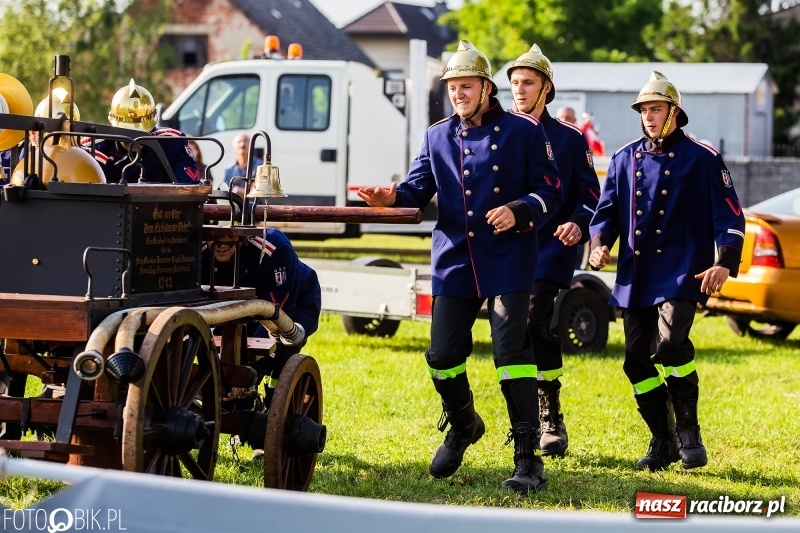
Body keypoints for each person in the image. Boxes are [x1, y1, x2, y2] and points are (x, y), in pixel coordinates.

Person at [358, 40, 562, 493]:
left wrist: (520, 209)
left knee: (511, 353)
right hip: (454, 260)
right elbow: (415, 188)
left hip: (509, 258)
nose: (458, 95)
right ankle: (465, 423)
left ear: (487, 89)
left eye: (466, 87)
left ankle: (529, 460)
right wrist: (390, 196)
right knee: (443, 356)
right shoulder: (435, 136)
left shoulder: (525, 132)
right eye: (452, 88)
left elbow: (551, 192)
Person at [588, 71, 745, 472]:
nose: (648, 117)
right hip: (636, 274)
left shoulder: (703, 158)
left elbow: (729, 216)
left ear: (674, 112)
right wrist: (600, 242)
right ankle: (664, 439)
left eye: (655, 109)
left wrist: (723, 262)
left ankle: (690, 432)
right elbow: (605, 213)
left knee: (672, 344)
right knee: (635, 361)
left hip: (682, 271)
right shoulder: (624, 158)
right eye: (644, 110)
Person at [507, 44, 601, 458]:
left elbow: (591, 194)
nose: (520, 90)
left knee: (532, 318)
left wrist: (578, 222)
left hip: (552, 248)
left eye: (528, 83)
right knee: (530, 331)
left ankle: (547, 418)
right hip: (506, 251)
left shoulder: (570, 139)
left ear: (547, 88)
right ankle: (532, 417)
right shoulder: (501, 132)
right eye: (514, 83)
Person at [201, 229, 321, 406]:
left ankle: (271, 398)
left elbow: (279, 316)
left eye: (229, 235)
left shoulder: (274, 249)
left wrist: (251, 372)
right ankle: (239, 401)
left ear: (244, 233)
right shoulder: (199, 251)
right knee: (226, 356)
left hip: (293, 304)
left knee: (281, 354)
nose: (222, 243)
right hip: (237, 310)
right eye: (216, 235)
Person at [86, 79, 200, 184]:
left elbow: (189, 189)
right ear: (114, 126)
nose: (134, 139)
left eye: (141, 131)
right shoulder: (94, 148)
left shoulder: (173, 143)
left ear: (153, 125)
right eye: (126, 131)